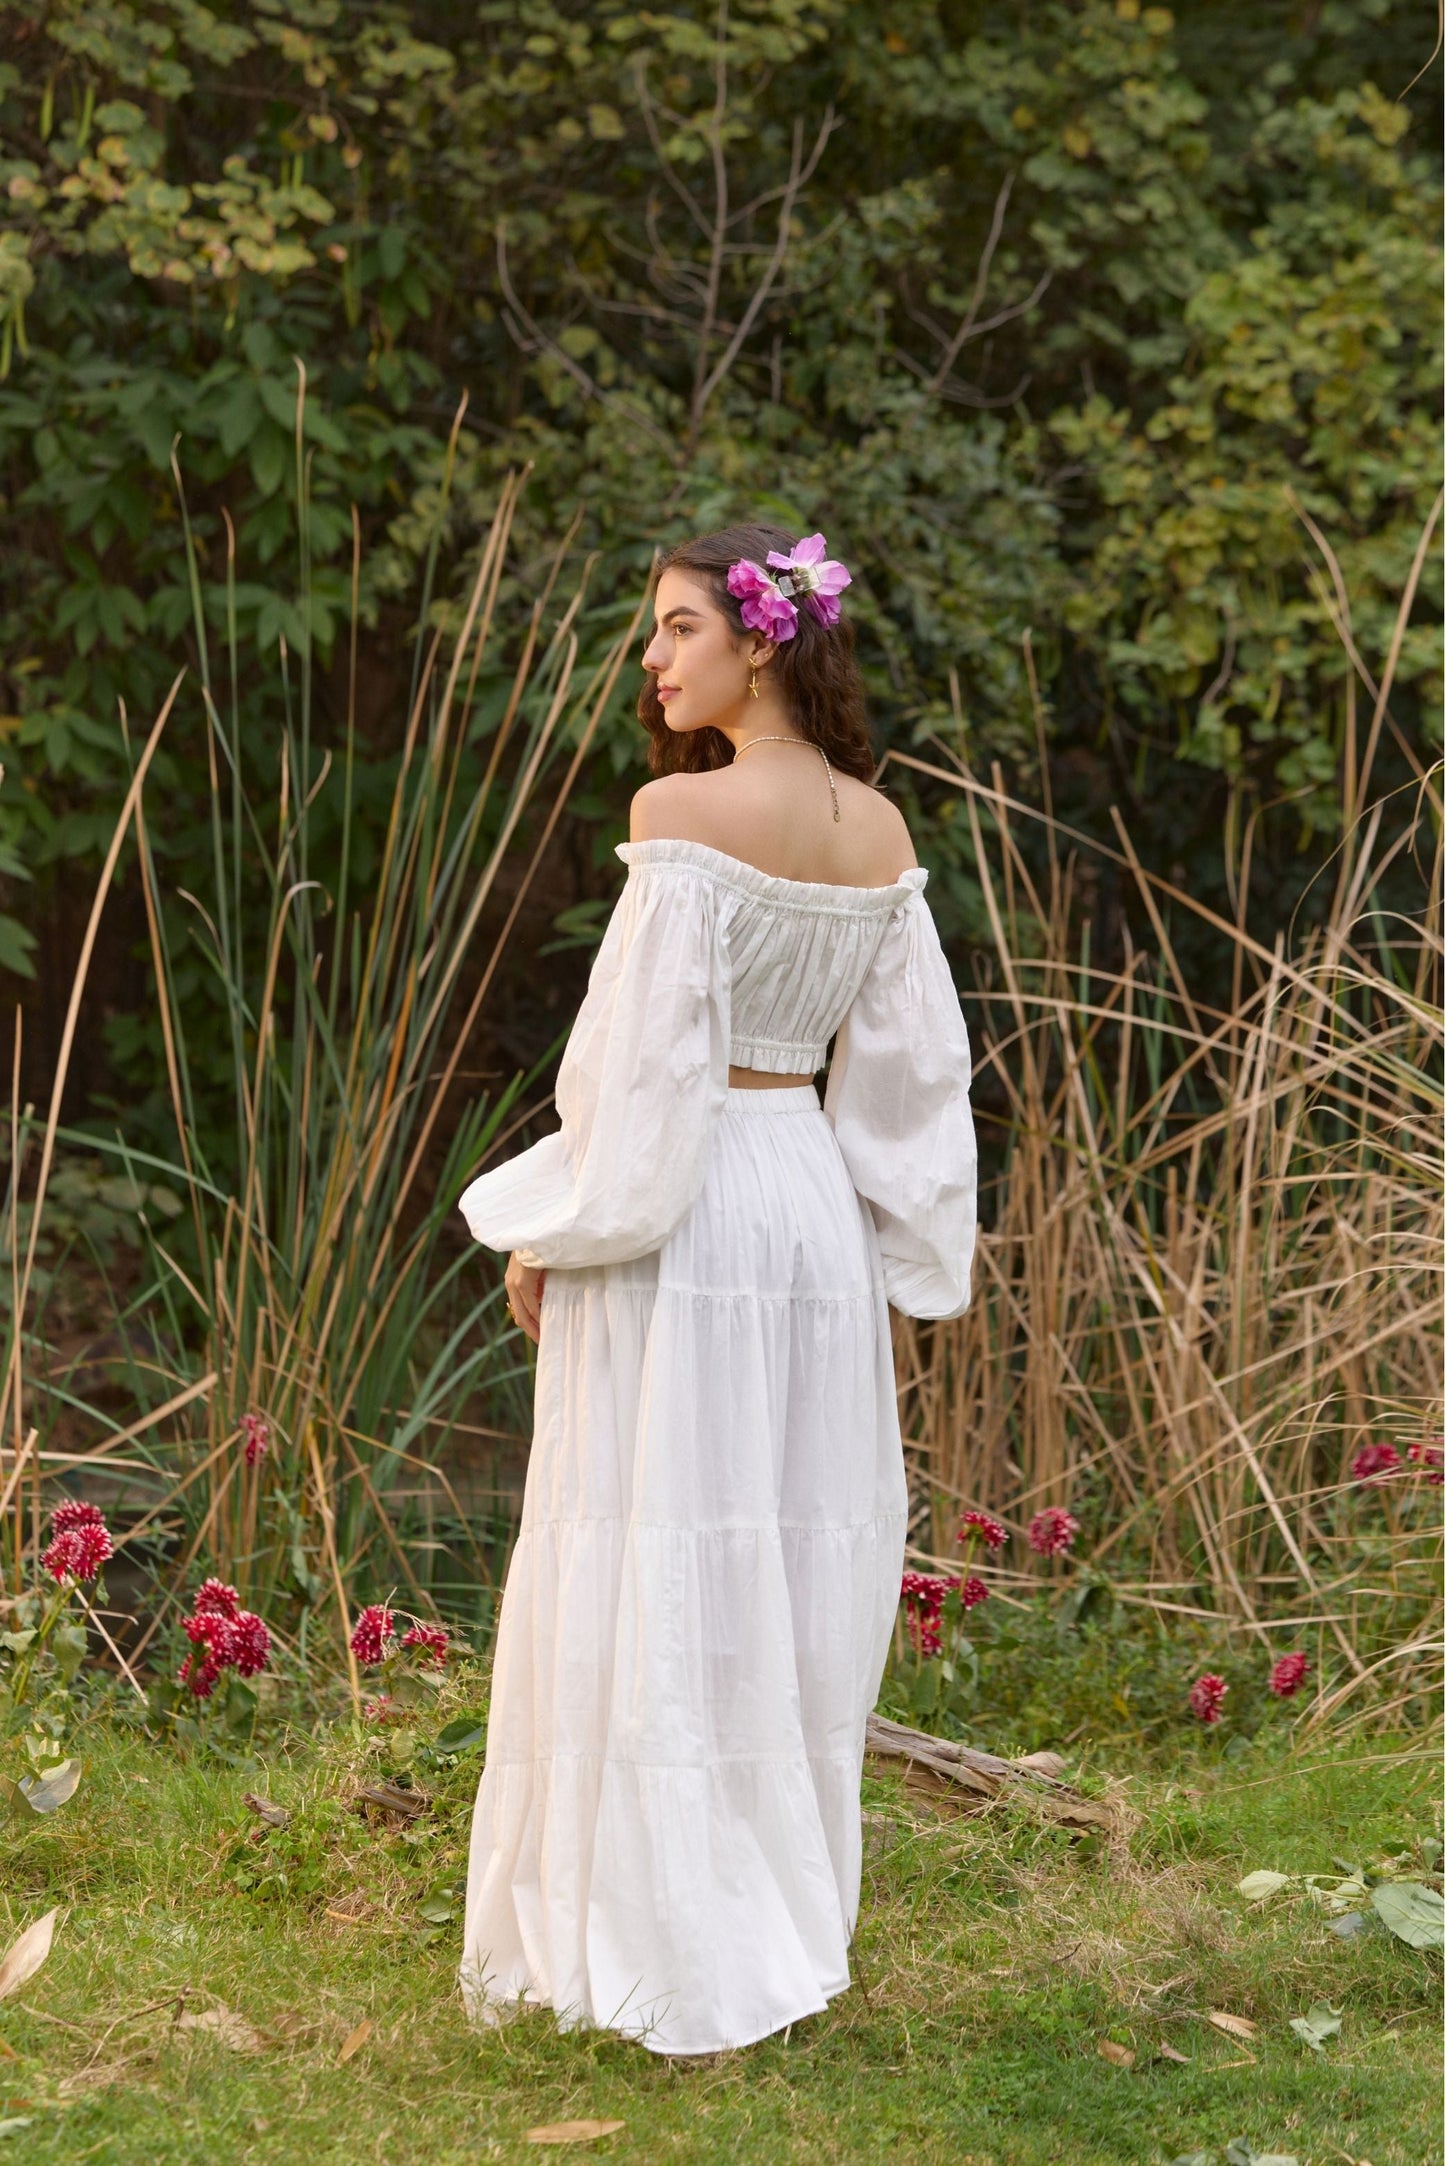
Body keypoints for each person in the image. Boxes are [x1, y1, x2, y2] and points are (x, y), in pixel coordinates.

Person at [454, 522, 977, 2057]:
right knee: (772, 1546)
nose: (654, 659)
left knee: (658, 1526)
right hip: (804, 1197)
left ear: (761, 641)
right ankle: (770, 1910)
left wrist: (562, 1222)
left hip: (690, 1201)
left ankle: (661, 1928)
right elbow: (909, 1082)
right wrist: (896, 1257)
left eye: (676, 627)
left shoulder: (680, 810)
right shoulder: (877, 833)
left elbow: (643, 1060)